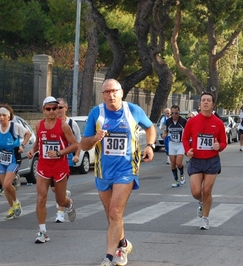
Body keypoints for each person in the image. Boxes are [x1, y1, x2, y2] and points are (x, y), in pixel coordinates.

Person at [80, 79, 156, 266]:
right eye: (106, 91)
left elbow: (150, 127)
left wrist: (150, 145)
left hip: (126, 169)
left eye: (114, 91)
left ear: (122, 93)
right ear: (102, 94)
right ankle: (123, 243)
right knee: (112, 216)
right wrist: (95, 138)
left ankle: (110, 256)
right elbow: (83, 144)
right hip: (103, 171)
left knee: (115, 212)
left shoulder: (133, 110)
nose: (111, 95)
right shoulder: (96, 113)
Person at [27, 96, 78, 244]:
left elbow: (75, 145)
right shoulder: (39, 125)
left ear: (58, 109)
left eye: (54, 108)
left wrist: (59, 153)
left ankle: (69, 204)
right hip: (43, 166)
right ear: (43, 110)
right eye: (48, 109)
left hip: (59, 166)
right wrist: (32, 150)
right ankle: (42, 232)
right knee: (41, 198)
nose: (51, 111)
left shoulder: (63, 126)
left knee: (60, 199)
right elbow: (39, 142)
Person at [182, 92, 227, 230]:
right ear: (200, 104)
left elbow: (224, 142)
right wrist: (187, 150)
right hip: (196, 160)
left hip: (212, 160)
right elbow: (185, 138)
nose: (206, 102)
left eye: (208, 100)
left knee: (207, 190)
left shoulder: (218, 123)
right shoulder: (192, 121)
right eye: (203, 100)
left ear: (213, 104)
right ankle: (201, 201)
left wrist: (219, 146)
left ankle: (205, 219)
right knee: (196, 192)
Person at [0, 104, 31, 220]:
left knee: (8, 184)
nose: (1, 118)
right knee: (5, 186)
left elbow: (28, 134)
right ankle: (12, 207)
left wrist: (22, 145)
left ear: (9, 117)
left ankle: (16, 202)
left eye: (4, 115)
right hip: (0, 158)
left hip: (13, 158)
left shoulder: (15, 127)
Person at [50, 97, 82, 223]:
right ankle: (66, 198)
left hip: (66, 159)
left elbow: (78, 142)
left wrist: (77, 155)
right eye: (56, 107)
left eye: (60, 107)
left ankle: (60, 213)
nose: (58, 110)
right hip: (52, 160)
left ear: (66, 108)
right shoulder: (51, 122)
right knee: (54, 189)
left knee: (59, 186)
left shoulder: (71, 124)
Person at [162, 105, 187, 187]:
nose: (174, 115)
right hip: (172, 143)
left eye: (176, 113)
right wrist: (164, 134)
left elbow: (188, 132)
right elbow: (166, 130)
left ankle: (182, 175)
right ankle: (176, 180)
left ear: (179, 112)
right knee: (173, 163)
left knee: (178, 163)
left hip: (180, 144)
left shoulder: (183, 121)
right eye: (172, 113)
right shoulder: (168, 121)